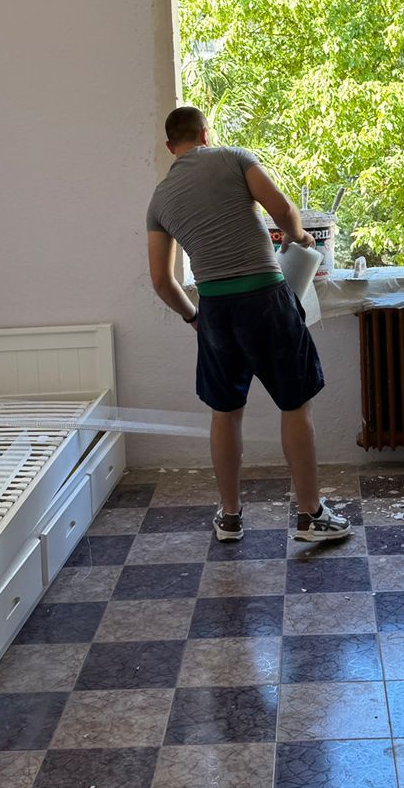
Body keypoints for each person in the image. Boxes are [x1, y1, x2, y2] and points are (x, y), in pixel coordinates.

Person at [146, 105, 350, 544]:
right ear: (206, 134)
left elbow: (161, 281)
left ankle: (230, 517)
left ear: (169, 146)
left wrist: (194, 317)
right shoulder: (233, 158)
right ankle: (311, 516)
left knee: (225, 412)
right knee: (294, 405)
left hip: (215, 309)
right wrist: (300, 237)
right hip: (265, 301)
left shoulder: (159, 200)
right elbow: (283, 210)